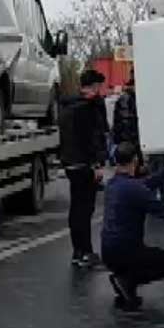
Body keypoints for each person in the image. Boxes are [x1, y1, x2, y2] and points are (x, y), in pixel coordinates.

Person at [101, 142, 164, 311]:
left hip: (107, 252)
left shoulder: (113, 184)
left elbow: (147, 183)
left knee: (144, 256)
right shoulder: (135, 189)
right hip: (127, 251)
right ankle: (128, 279)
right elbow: (163, 211)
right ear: (135, 160)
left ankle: (125, 279)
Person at [58, 69, 109, 267]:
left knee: (76, 209)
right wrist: (97, 164)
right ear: (94, 86)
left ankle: (77, 251)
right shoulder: (87, 108)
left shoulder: (67, 107)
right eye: (99, 86)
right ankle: (86, 252)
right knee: (85, 210)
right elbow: (92, 139)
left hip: (70, 163)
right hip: (85, 164)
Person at [111, 75, 139, 149]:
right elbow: (125, 119)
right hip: (130, 137)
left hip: (127, 137)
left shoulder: (123, 99)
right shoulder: (127, 99)